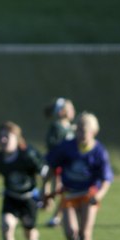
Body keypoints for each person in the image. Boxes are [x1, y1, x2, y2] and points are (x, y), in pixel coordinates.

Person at [44, 112, 113, 240]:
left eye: (85, 131)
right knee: (71, 232)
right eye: (78, 130)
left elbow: (106, 179)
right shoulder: (66, 147)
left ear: (94, 132)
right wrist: (44, 188)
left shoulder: (99, 151)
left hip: (89, 195)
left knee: (85, 235)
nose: (81, 134)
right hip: (70, 192)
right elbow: (51, 167)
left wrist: (99, 195)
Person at [43, 97, 76, 227]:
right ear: (62, 112)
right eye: (70, 109)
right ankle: (46, 201)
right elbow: (51, 144)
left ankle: (56, 216)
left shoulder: (70, 128)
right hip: (56, 164)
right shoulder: (56, 127)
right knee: (54, 187)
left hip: (68, 165)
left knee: (64, 191)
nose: (73, 111)